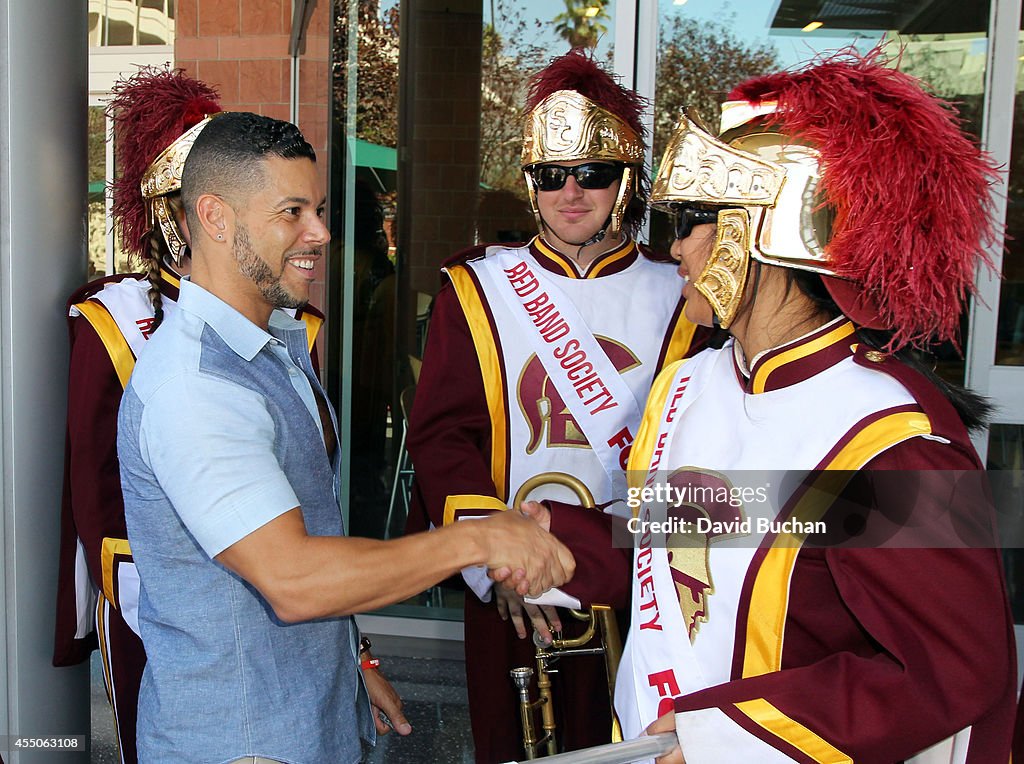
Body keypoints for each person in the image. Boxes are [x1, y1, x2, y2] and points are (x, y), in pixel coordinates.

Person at [542, 50, 1017, 762]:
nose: (676, 249)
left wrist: (722, 738)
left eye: (697, 220)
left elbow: (950, 672)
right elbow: (673, 554)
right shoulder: (692, 382)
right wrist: (543, 539)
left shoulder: (892, 435)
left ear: (762, 235)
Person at [115, 111, 575, 763]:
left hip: (307, 722)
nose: (321, 233)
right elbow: (294, 579)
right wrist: (482, 536)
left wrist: (352, 659)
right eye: (292, 212)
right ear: (215, 218)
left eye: (320, 208)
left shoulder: (267, 343)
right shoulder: (197, 389)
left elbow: (308, 539)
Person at [404, 49, 714, 762]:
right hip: (512, 590)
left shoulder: (688, 293)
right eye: (551, 175)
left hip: (643, 581)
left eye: (593, 174)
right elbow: (442, 440)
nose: (571, 193)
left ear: (625, 179)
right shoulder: (478, 287)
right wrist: (495, 560)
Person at [52, 67, 323, 764]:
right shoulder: (114, 319)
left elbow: (317, 514)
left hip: (299, 642)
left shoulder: (290, 323)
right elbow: (99, 500)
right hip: (168, 617)